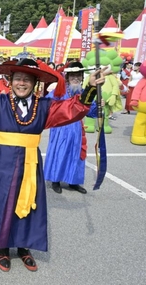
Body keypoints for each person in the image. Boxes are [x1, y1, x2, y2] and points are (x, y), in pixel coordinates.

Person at [0, 48, 106, 272]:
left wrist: (91, 87)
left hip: (30, 162)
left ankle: (24, 247)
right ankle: (2, 247)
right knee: (1, 202)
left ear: (35, 83)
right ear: (10, 81)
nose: (21, 83)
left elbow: (72, 109)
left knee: (28, 203)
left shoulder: (44, 106)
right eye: (18, 79)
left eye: (27, 79)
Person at [44, 62, 99, 194]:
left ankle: (73, 181)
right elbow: (46, 105)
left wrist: (99, 106)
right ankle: (55, 180)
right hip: (60, 128)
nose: (76, 78)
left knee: (76, 155)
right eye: (72, 75)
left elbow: (90, 112)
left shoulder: (84, 92)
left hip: (77, 129)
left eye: (78, 75)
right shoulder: (59, 91)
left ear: (82, 77)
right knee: (59, 153)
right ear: (67, 77)